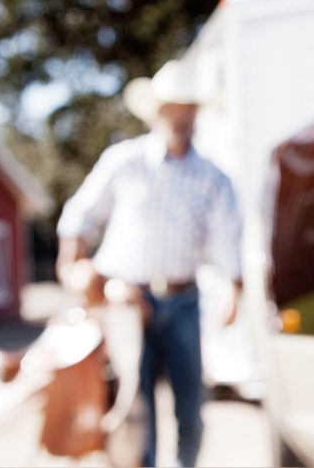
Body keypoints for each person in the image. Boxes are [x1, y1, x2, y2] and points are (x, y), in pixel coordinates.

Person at [56, 60, 242, 468]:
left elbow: (229, 240)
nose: (180, 117)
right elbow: (79, 216)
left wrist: (234, 289)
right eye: (172, 108)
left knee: (191, 409)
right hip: (127, 302)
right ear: (157, 112)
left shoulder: (213, 179)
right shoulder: (125, 162)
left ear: (196, 113)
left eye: (187, 108)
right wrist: (73, 265)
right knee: (134, 410)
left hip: (183, 302)